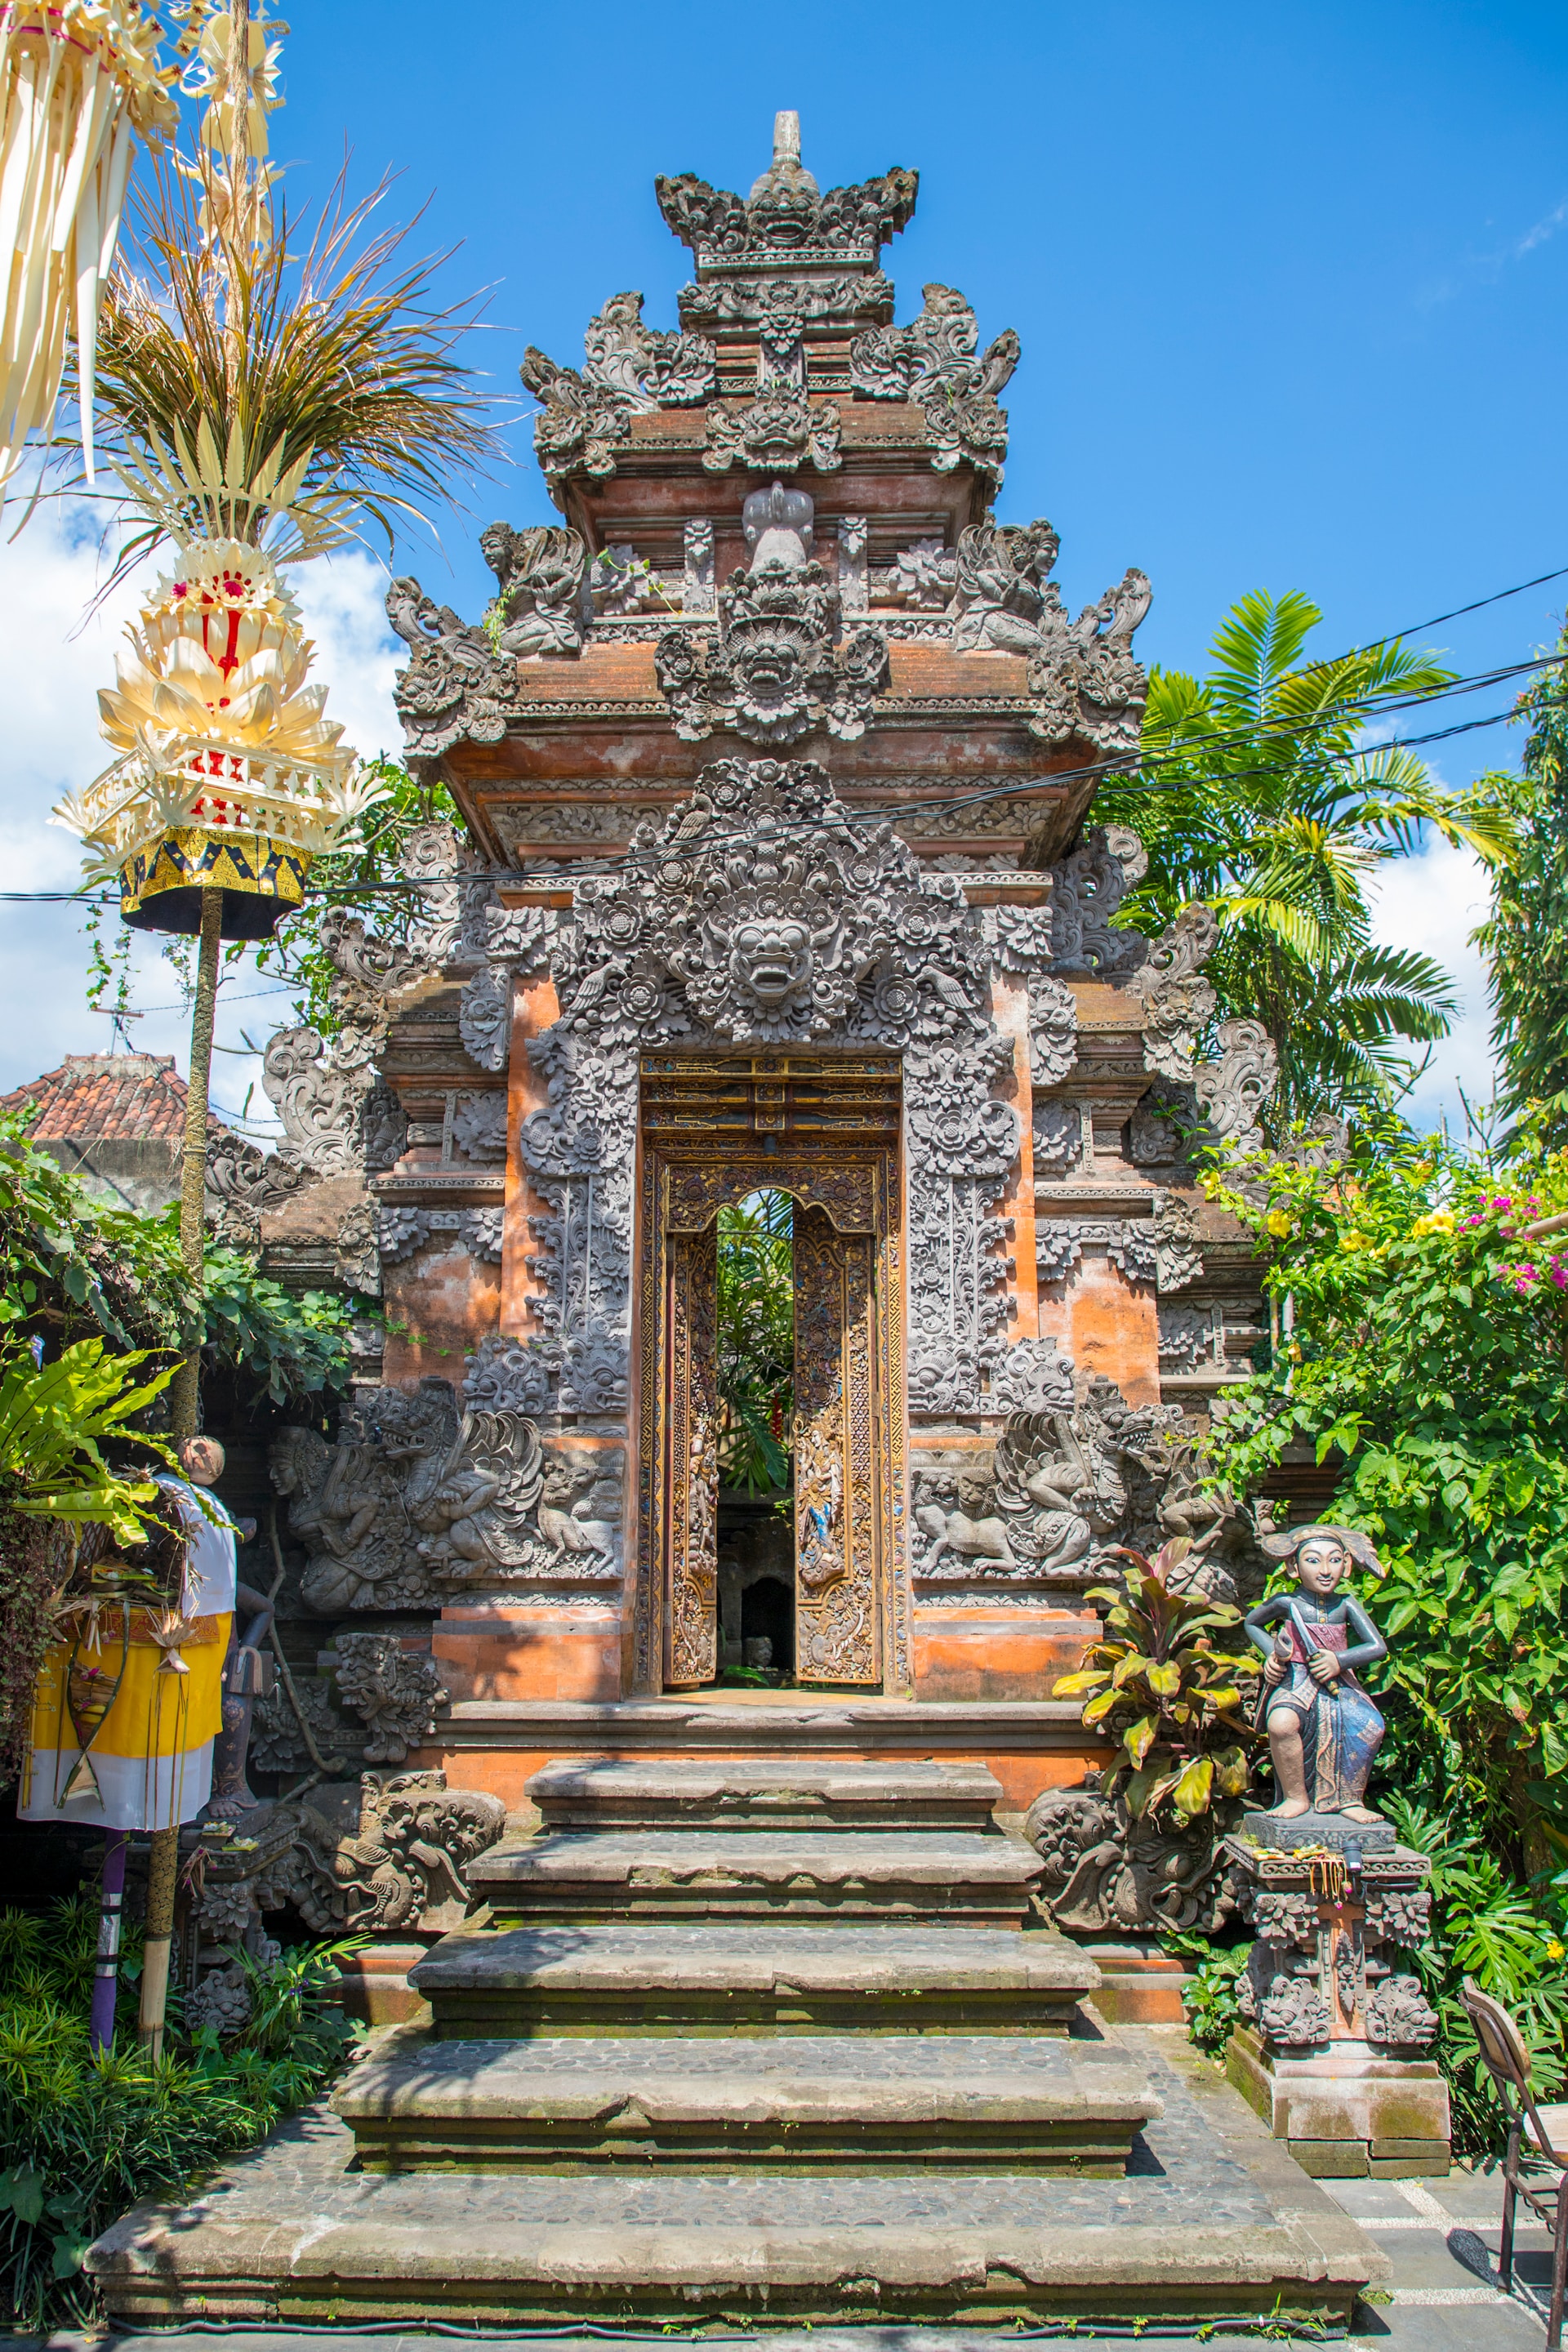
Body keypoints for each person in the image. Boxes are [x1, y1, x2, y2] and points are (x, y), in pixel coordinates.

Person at [1243, 1524, 1388, 1823]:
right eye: (1313, 1560)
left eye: (1334, 1560)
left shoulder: (1347, 1604)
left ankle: (1349, 1798)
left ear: (1346, 1565)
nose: (1325, 1570)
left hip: (1337, 1681)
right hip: (1296, 1679)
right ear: (1293, 1567)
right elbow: (1251, 1623)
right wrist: (1272, 1653)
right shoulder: (1288, 1603)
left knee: (1369, 1724)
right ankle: (1296, 1797)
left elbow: (1377, 1647)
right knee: (1282, 1724)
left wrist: (1339, 1660)